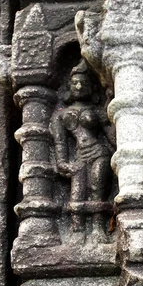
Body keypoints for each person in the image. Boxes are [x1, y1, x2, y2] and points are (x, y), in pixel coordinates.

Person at [51, 60, 112, 242]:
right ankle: (77, 230)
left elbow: (111, 137)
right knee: (77, 192)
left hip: (99, 152)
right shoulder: (61, 115)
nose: (79, 86)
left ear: (91, 88)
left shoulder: (98, 111)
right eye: (75, 83)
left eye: (83, 83)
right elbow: (60, 142)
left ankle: (98, 229)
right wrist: (62, 162)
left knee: (97, 188)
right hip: (79, 156)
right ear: (69, 87)